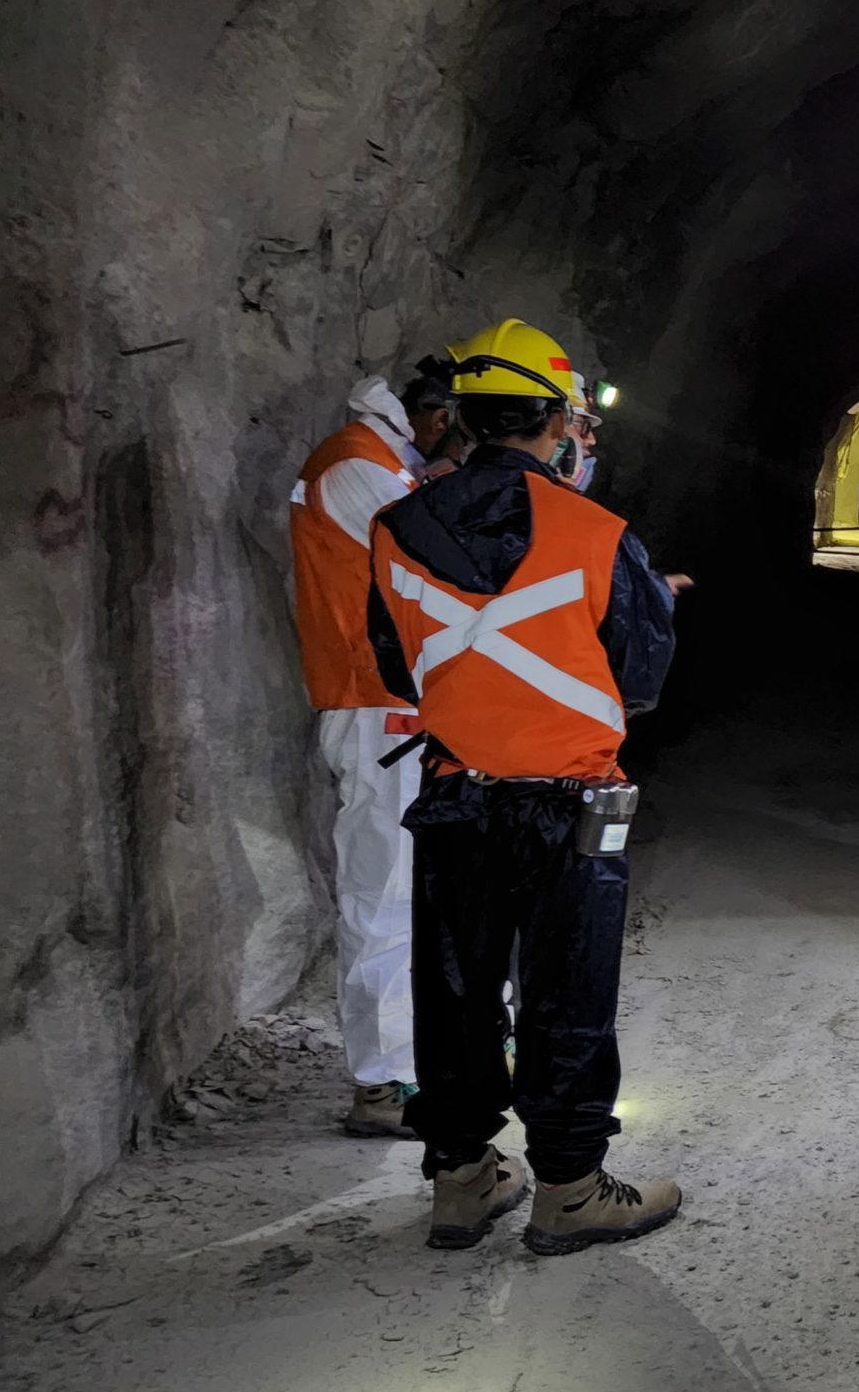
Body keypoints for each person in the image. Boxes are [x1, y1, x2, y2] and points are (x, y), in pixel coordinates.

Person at [367, 318, 683, 1255]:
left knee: (454, 987)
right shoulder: (597, 531)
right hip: (571, 802)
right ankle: (571, 1189)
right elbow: (641, 680)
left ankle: (462, 1180)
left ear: (463, 418)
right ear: (556, 423)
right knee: (568, 990)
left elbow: (397, 669)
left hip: (456, 793)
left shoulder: (397, 527)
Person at [289, 369, 468, 1138]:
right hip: (371, 705)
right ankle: (381, 1081)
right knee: (380, 886)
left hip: (394, 705)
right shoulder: (354, 462)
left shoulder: (378, 459)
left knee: (408, 889)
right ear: (433, 422)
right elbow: (439, 556)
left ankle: (412, 1059)